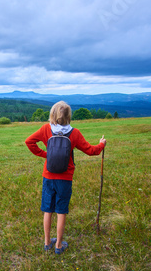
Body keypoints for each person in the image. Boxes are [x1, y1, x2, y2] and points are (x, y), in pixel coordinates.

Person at [25, 101, 106, 254]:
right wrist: (101, 144)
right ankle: (59, 246)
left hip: (48, 176)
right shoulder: (74, 133)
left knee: (47, 210)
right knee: (61, 210)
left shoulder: (45, 129)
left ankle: (47, 243)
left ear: (52, 115)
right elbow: (90, 150)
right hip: (65, 178)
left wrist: (46, 155)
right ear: (69, 116)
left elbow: (29, 142)